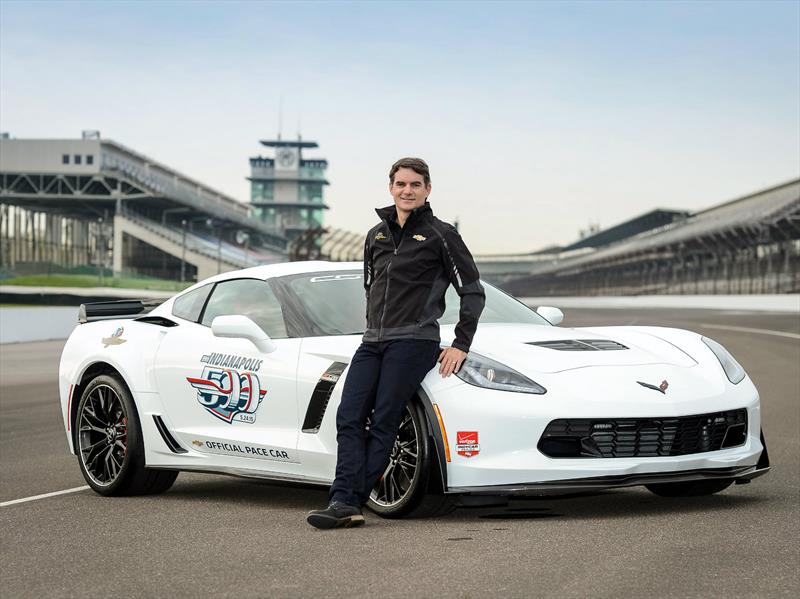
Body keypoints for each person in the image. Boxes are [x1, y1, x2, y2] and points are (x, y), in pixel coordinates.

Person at [306, 157, 485, 529]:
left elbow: (472, 292)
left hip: (413, 341)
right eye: (401, 184)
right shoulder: (376, 235)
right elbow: (371, 289)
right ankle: (345, 498)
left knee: (385, 419)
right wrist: (372, 328)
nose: (407, 191)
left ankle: (346, 502)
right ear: (391, 188)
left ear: (427, 190)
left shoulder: (441, 235)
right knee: (349, 416)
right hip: (373, 342)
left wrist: (461, 344)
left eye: (415, 185)